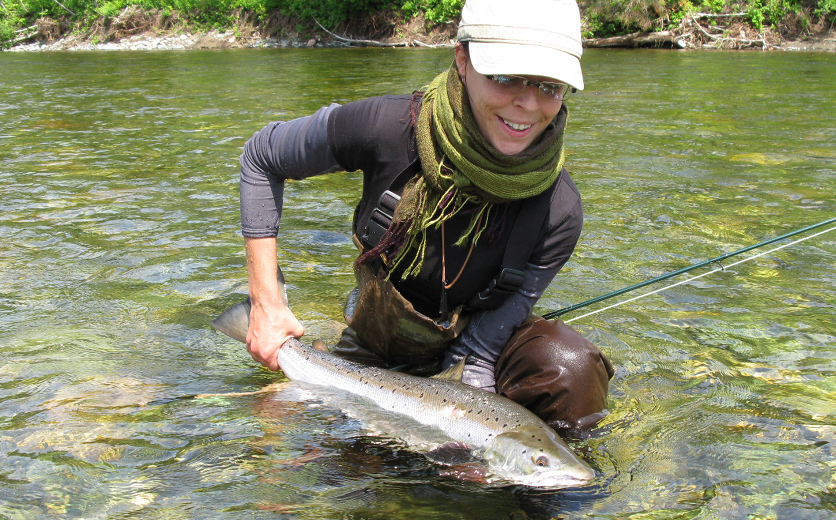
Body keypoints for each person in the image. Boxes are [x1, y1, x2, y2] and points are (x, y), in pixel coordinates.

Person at [237, 0, 613, 434]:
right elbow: (262, 157)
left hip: (472, 348)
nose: (528, 104)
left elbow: (482, 348)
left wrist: (472, 427)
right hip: (375, 341)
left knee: (572, 370)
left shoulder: (559, 211)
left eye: (550, 86)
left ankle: (555, 495)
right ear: (462, 58)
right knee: (349, 477)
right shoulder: (384, 128)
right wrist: (266, 304)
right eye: (506, 77)